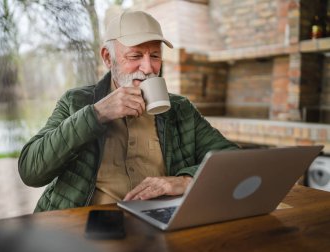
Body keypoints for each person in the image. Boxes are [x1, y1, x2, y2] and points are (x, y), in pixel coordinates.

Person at [18, 10, 239, 212]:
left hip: (154, 222)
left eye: (154, 56)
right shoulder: (76, 101)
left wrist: (185, 181)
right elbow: (31, 171)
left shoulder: (180, 110)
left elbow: (234, 159)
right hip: (83, 224)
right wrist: (97, 114)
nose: (148, 68)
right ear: (107, 57)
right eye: (135, 56)